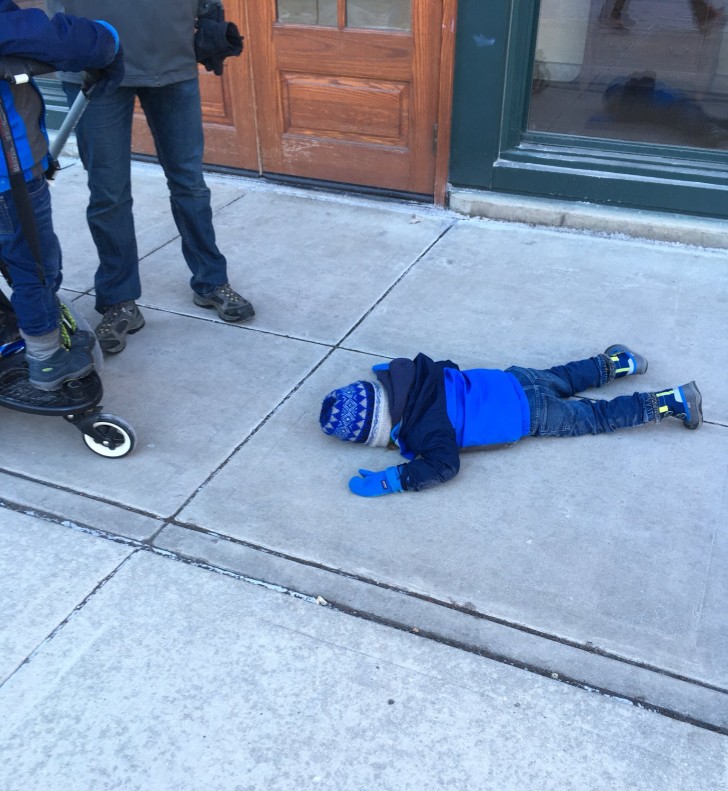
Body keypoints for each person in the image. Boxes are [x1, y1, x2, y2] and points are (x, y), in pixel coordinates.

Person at [49, 0, 251, 355]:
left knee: (189, 183)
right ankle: (118, 299)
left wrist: (209, 15)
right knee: (108, 193)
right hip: (92, 62)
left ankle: (211, 282)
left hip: (172, 57)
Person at [319, 346, 702, 497]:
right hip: (516, 379)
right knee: (567, 375)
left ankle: (671, 402)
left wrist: (394, 480)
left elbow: (444, 465)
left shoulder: (425, 431)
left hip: (531, 416)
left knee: (596, 416)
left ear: (382, 431)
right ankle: (621, 363)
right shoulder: (417, 374)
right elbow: (444, 366)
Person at [0, 1, 122, 390]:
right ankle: (47, 358)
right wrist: (109, 37)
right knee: (34, 265)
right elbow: (56, 39)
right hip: (9, 178)